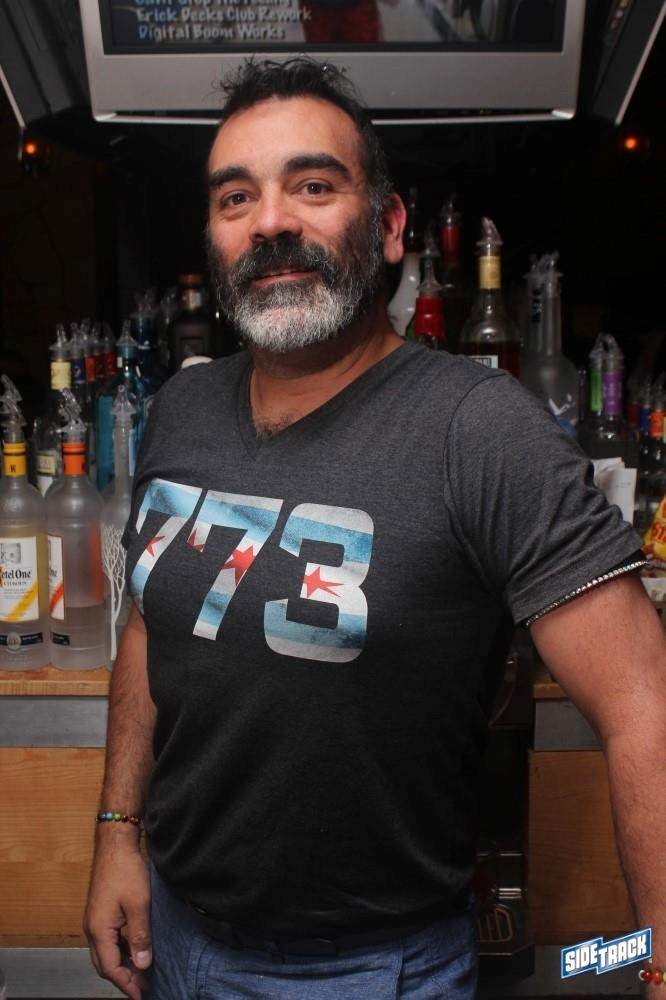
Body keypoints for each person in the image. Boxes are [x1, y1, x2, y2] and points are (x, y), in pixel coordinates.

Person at [84, 58, 666, 1000]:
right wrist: (118, 833)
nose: (270, 222)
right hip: (178, 939)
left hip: (371, 969)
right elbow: (153, 623)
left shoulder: (479, 428)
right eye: (236, 197)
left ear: (391, 228)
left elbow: (645, 703)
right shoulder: (183, 412)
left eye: (313, 186)